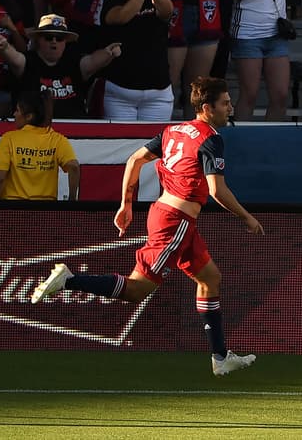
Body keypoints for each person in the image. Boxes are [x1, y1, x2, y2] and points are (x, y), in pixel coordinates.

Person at [30, 76, 263, 377]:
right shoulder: (210, 138)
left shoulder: (173, 131)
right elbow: (218, 191)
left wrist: (126, 204)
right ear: (207, 108)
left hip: (167, 214)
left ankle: (220, 358)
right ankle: (69, 279)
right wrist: (245, 216)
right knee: (137, 290)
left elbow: (135, 159)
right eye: (226, 103)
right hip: (175, 222)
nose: (231, 107)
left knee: (210, 278)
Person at [0, 13, 119, 118]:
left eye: (59, 38)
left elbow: (93, 61)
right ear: (39, 39)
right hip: (34, 134)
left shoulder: (74, 62)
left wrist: (109, 52)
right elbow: (15, 58)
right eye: (49, 37)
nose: (54, 41)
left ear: (65, 42)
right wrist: (5, 47)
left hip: (74, 134)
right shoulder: (28, 60)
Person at [99, 0, 174, 120]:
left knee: (155, 145)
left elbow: (168, 10)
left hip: (158, 93)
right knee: (120, 145)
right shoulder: (113, 0)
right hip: (121, 93)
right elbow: (121, 16)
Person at [0, 91, 80, 200]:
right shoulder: (57, 139)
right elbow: (74, 167)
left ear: (29, 117)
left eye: (17, 110)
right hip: (44, 212)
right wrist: (72, 200)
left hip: (13, 210)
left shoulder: (9, 138)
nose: (14, 114)